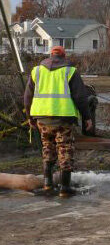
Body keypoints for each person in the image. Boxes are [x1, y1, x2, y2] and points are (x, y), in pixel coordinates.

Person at [24, 46, 92, 197]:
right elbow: (81, 97)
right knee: (65, 150)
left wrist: (30, 117)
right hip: (63, 119)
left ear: (50, 55)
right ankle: (65, 188)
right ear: (63, 56)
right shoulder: (70, 71)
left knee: (47, 148)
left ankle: (48, 185)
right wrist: (87, 117)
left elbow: (27, 97)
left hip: (42, 118)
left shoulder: (37, 71)